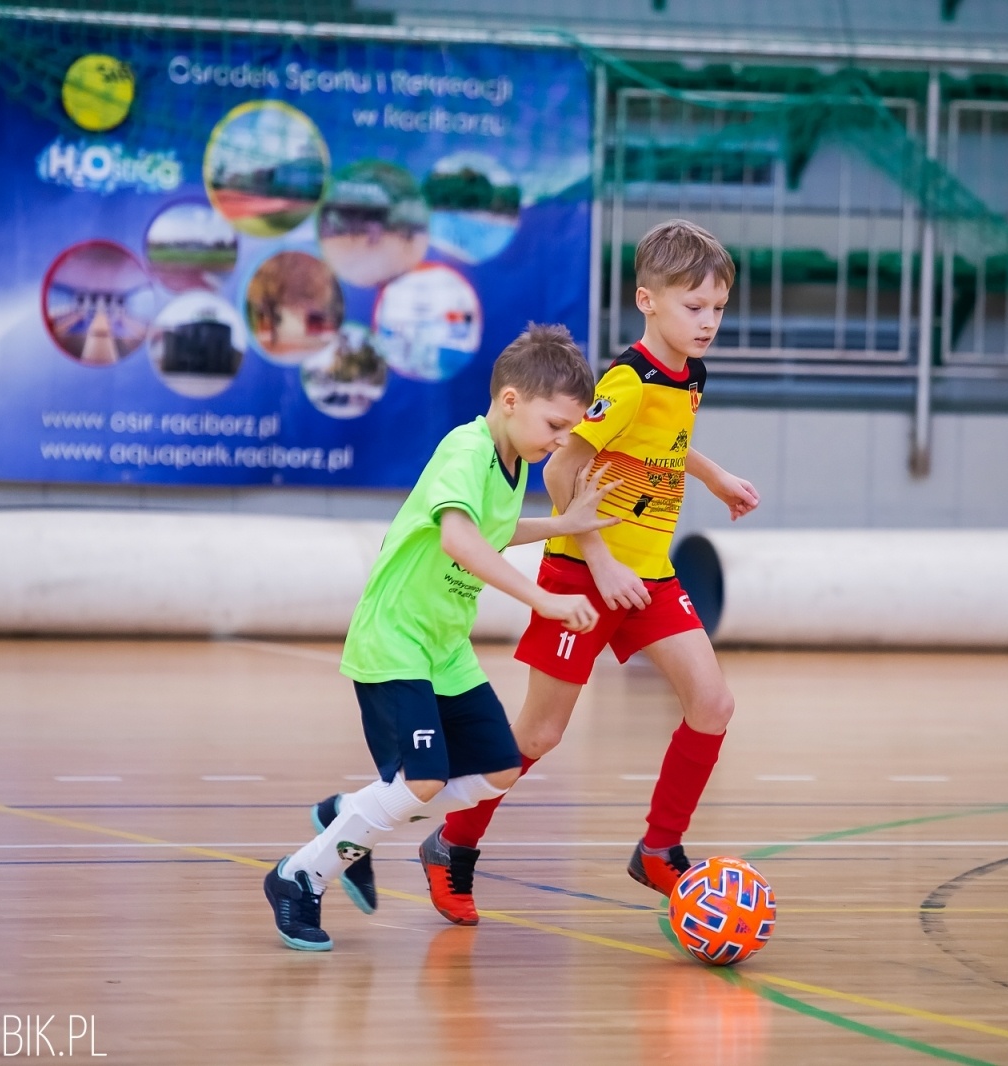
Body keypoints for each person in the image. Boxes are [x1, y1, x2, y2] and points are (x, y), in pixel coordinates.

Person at [416, 219, 760, 925]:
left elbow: (664, 442)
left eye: (719, 308)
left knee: (713, 706)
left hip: (649, 577)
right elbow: (561, 469)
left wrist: (714, 474)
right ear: (647, 301)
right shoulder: (625, 382)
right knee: (538, 736)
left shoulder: (689, 374)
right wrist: (599, 560)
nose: (709, 322)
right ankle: (452, 844)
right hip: (584, 576)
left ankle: (659, 849)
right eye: (694, 306)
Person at [266, 323, 619, 951]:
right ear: (510, 400)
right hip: (397, 638)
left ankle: (353, 816)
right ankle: (299, 876)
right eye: (555, 426)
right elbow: (459, 538)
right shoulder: (467, 449)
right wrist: (542, 599)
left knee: (499, 769)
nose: (562, 441)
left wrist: (565, 522)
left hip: (445, 648)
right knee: (423, 780)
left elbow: (494, 530)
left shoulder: (513, 464)